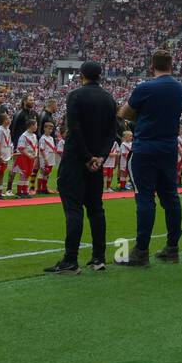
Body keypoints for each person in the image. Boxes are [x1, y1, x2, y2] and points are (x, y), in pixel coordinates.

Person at [45, 61, 118, 274]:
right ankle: (98, 257)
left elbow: (75, 128)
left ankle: (70, 259)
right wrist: (101, 157)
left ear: (82, 75)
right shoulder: (109, 98)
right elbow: (112, 132)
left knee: (74, 208)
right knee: (96, 209)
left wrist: (87, 157)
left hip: (77, 159)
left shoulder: (75, 96)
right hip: (97, 161)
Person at [118, 49, 182, 266]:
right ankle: (172, 247)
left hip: (146, 147)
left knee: (145, 198)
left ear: (151, 66)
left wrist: (142, 114)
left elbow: (124, 113)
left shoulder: (145, 87)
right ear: (171, 65)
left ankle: (141, 251)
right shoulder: (179, 88)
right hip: (168, 148)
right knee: (171, 198)